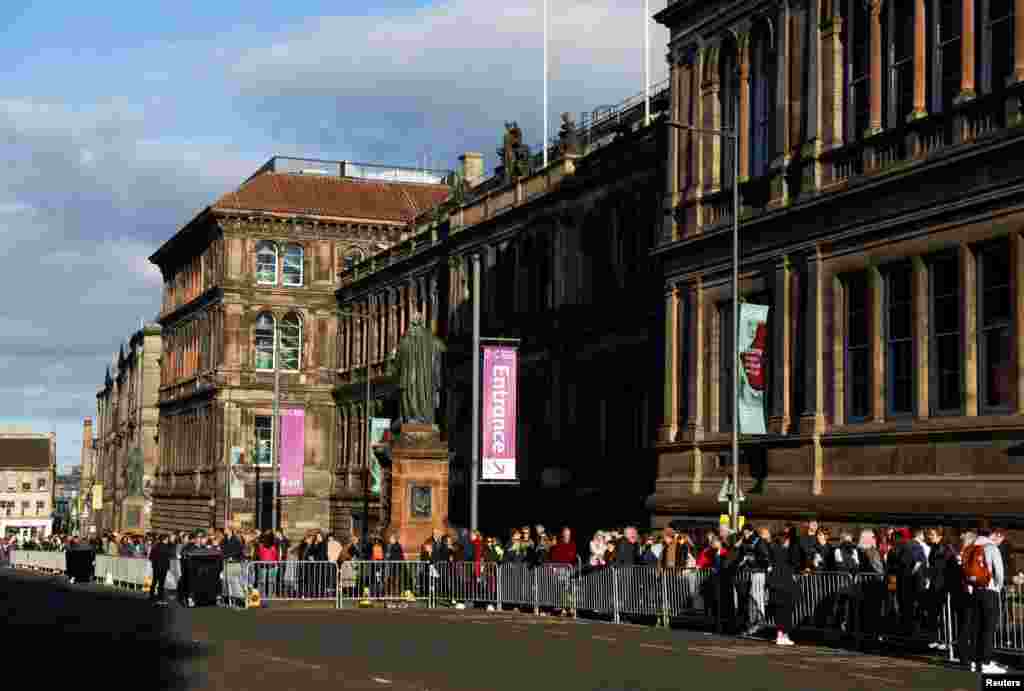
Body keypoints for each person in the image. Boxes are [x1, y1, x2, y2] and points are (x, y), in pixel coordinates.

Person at [958, 529, 1007, 674]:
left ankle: (974, 662)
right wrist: (998, 586)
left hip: (975, 591)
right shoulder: (991, 547)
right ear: (995, 534)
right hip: (989, 590)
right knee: (988, 627)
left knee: (976, 627)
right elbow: (999, 572)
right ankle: (986, 662)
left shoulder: (972, 546)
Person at [769, 526, 801, 646]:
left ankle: (780, 634)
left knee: (779, 611)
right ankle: (783, 635)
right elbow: (794, 565)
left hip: (776, 585)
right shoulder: (785, 553)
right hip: (785, 585)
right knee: (786, 611)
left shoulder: (774, 550)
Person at [149, 533, 171, 605]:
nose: (168, 540)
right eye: (167, 539)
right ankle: (160, 597)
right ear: (165, 539)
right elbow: (169, 556)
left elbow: (150, 557)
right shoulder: (166, 547)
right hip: (163, 567)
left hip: (155, 566)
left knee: (154, 581)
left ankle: (151, 595)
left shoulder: (155, 546)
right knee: (161, 583)